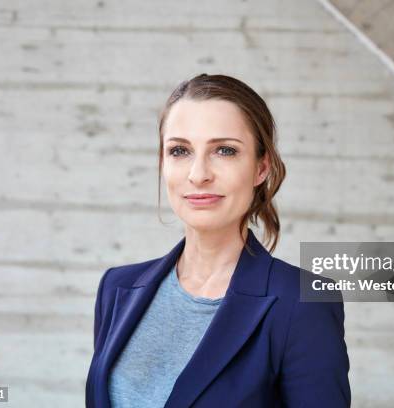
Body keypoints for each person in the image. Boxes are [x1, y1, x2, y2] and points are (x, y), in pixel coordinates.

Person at [85, 73, 351, 407]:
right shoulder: (117, 288)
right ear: (162, 163)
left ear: (261, 168)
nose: (198, 174)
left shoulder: (302, 303)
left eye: (224, 150)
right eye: (180, 150)